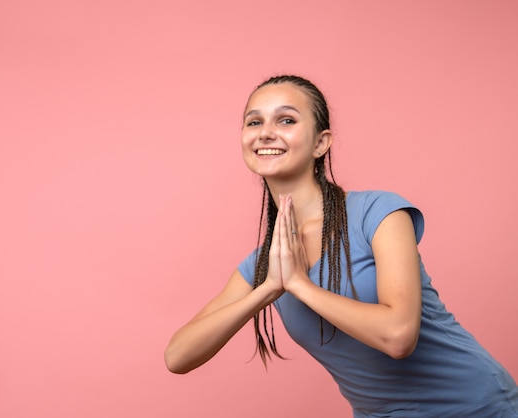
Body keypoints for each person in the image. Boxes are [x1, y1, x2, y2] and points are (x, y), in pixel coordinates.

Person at [164, 75, 518, 417]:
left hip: (476, 406)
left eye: (286, 119)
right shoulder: (267, 265)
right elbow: (177, 356)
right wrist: (269, 288)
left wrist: (300, 285)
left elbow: (399, 337)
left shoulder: (378, 214)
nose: (266, 133)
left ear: (321, 143)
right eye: (253, 122)